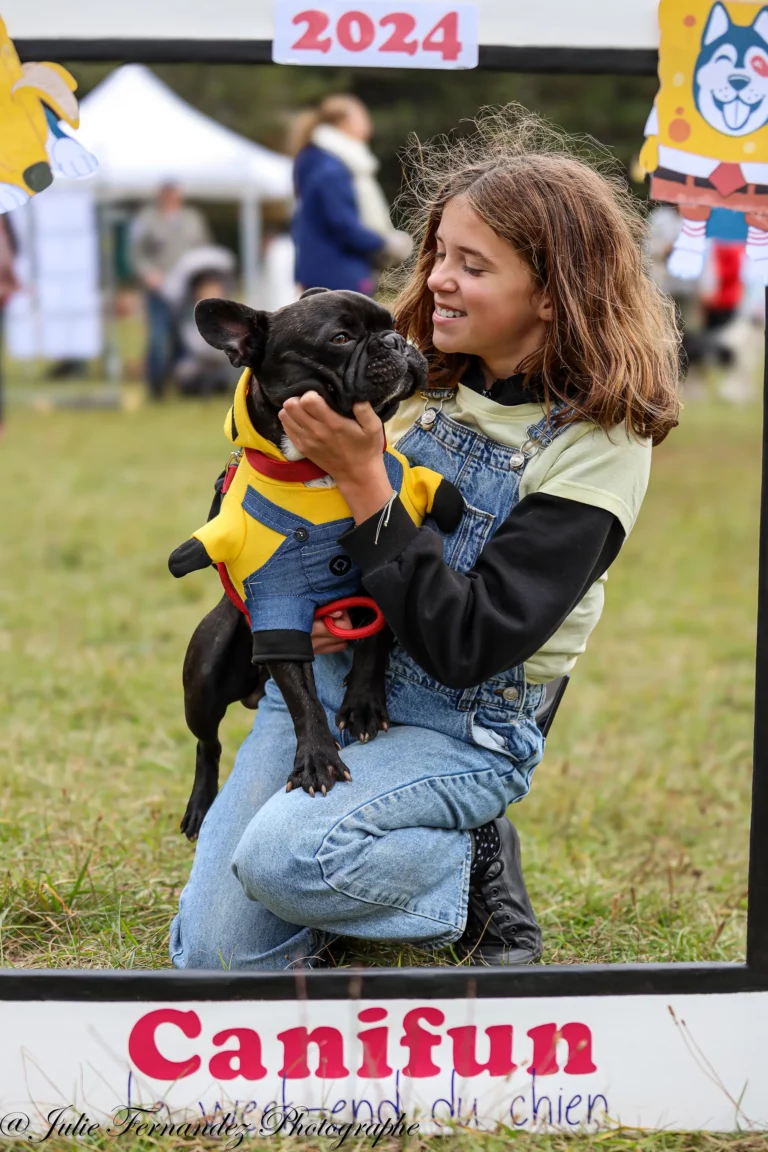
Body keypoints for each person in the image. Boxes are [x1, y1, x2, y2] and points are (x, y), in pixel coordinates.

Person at [170, 108, 680, 971]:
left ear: (555, 292)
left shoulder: (598, 443)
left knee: (282, 858)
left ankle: (468, 866)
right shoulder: (414, 376)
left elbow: (471, 641)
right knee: (214, 958)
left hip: (462, 723)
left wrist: (368, 480)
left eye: (472, 265)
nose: (438, 279)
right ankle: (351, 859)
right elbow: (283, 504)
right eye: (438, 252)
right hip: (340, 691)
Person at [290, 94, 412, 295]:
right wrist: (385, 243)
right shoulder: (333, 168)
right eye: (362, 116)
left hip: (318, 270)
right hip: (340, 273)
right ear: (344, 122)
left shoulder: (315, 160)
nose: (368, 123)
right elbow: (343, 224)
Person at [129, 182, 211, 399]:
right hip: (160, 291)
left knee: (188, 340)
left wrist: (202, 281)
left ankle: (188, 385)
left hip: (187, 290)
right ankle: (156, 388)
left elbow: (204, 251)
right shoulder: (147, 220)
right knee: (159, 339)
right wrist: (149, 274)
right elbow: (136, 255)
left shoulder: (193, 219)